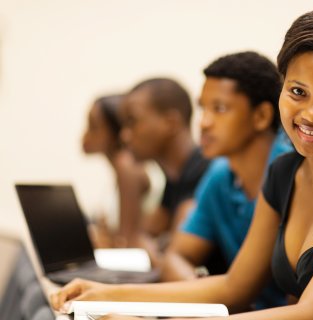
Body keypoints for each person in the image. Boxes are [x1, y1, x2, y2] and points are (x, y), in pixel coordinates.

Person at [51, 8, 313, 319]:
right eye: (298, 92)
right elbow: (235, 287)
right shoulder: (284, 174)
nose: (312, 114)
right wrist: (103, 292)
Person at [160, 51, 292, 309]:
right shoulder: (220, 174)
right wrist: (198, 295)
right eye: (203, 108)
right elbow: (176, 254)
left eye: (219, 109)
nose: (204, 123)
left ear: (261, 116)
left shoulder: (293, 171)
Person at [120, 78, 211, 240]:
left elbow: (170, 256)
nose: (125, 135)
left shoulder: (205, 173)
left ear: (171, 123)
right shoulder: (175, 177)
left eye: (132, 121)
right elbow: (143, 236)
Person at [82, 94, 159, 248]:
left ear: (115, 131)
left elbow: (127, 242)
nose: (85, 135)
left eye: (94, 127)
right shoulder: (121, 168)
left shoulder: (127, 166)